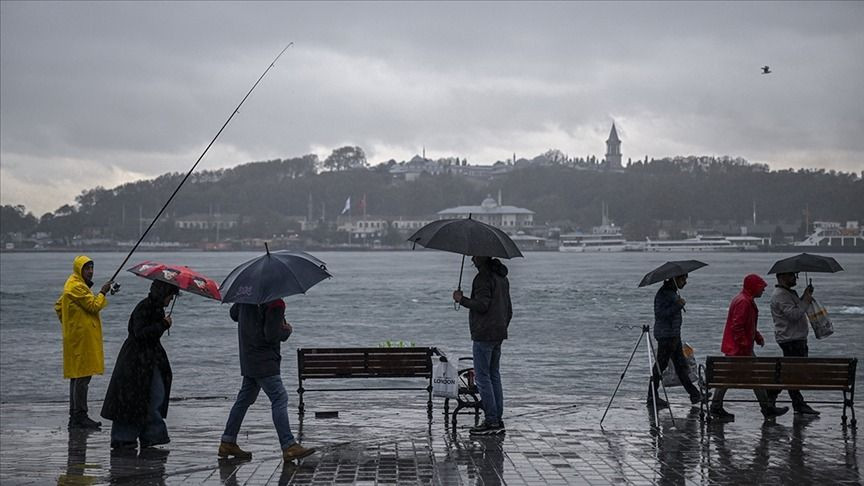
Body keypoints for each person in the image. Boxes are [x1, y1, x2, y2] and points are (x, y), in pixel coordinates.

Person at [218, 299, 315, 462]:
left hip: (248, 358)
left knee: (244, 400)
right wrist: (286, 330)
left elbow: (234, 314)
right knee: (279, 397)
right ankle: (288, 445)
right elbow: (272, 336)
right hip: (265, 361)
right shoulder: (275, 303)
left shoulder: (246, 298)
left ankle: (228, 441)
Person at [101, 280, 178, 450]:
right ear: (163, 293)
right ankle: (133, 437)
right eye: (170, 296)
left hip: (144, 360)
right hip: (136, 361)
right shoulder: (145, 307)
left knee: (148, 397)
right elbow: (141, 333)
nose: (171, 300)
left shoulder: (154, 307)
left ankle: (145, 436)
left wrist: (162, 324)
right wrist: (163, 325)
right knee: (140, 399)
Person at [710, 274, 789, 421]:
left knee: (730, 378)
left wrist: (757, 337)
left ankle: (716, 407)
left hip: (737, 349)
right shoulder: (744, 302)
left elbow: (747, 325)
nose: (763, 291)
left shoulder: (744, 299)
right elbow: (737, 326)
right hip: (739, 350)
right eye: (761, 288)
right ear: (754, 287)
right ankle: (766, 408)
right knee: (752, 378)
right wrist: (745, 344)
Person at [452, 256, 512, 436]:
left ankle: (492, 421)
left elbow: (482, 305)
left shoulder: (483, 279)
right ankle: (497, 419)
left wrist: (461, 299)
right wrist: (502, 326)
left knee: (483, 378)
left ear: (482, 258)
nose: (472, 258)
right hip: (498, 333)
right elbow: (509, 309)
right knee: (494, 375)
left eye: (475, 256)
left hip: (484, 334)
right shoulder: (502, 278)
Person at [54, 255, 113, 429]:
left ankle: (75, 415)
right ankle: (80, 415)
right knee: (83, 377)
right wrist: (102, 292)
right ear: (79, 269)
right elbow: (94, 306)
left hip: (77, 338)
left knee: (77, 376)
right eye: (87, 268)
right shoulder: (76, 286)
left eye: (92, 268)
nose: (90, 272)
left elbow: (58, 306)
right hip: (81, 340)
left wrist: (71, 323)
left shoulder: (74, 284)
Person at [647, 273, 703, 408]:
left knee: (680, 366)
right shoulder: (664, 294)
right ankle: (651, 397)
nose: (685, 282)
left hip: (673, 336)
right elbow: (661, 314)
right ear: (674, 279)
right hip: (666, 336)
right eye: (683, 279)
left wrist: (677, 303)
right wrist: (678, 305)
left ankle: (694, 395)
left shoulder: (671, 292)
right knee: (661, 366)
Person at [768, 272, 820, 415]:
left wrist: (805, 295)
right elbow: (794, 315)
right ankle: (788, 399)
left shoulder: (788, 293)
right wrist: (806, 301)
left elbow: (797, 308)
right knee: (793, 373)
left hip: (796, 338)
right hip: (791, 339)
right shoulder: (781, 295)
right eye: (792, 276)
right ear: (782, 277)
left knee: (792, 372)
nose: (795, 278)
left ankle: (779, 396)